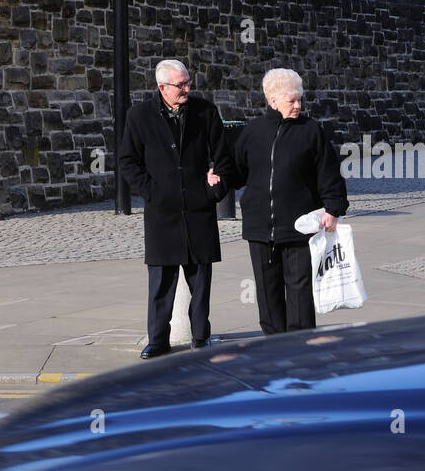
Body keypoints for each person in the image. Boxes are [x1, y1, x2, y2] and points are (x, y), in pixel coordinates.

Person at [119, 59, 235, 358]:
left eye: (187, 83)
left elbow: (224, 157)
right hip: (162, 214)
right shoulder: (139, 116)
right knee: (161, 283)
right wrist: (152, 192)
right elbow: (127, 162)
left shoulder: (205, 111)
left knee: (200, 281)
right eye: (180, 85)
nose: (187, 89)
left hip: (199, 210)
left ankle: (200, 337)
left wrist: (215, 191)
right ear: (162, 87)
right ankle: (158, 339)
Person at [233, 67, 348, 336]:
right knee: (267, 292)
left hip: (299, 227)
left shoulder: (310, 131)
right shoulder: (254, 131)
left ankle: (300, 345)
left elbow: (328, 172)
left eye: (299, 100)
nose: (298, 105)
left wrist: (333, 208)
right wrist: (217, 176)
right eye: (291, 100)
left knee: (299, 291)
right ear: (273, 100)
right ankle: (273, 345)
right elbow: (237, 171)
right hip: (261, 229)